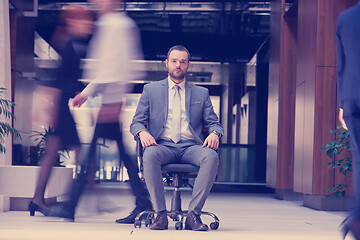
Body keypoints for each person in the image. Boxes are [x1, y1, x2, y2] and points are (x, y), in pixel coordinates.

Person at [49, 0, 152, 222]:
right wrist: (93, 93)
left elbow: (117, 68)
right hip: (109, 98)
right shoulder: (113, 24)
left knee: (90, 159)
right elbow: (118, 68)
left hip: (110, 100)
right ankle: (143, 202)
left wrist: (104, 98)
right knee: (119, 156)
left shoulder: (115, 26)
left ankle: (71, 206)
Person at [130, 45, 224, 231]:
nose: (178, 65)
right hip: (162, 145)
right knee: (150, 154)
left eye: (182, 62)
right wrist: (142, 132)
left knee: (211, 156)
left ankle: (193, 215)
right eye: (174, 61)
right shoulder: (151, 90)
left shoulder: (201, 93)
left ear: (188, 65)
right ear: (166, 63)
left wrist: (215, 133)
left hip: (191, 147)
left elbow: (214, 123)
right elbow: (136, 122)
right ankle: (160, 214)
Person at [29, 5, 93, 217]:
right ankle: (78, 198)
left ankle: (38, 199)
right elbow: (59, 79)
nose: (89, 25)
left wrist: (81, 93)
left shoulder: (71, 43)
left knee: (52, 152)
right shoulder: (70, 44)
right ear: (73, 21)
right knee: (78, 150)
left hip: (61, 104)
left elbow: (66, 78)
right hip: (60, 106)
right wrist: (52, 108)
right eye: (86, 20)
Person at [336, 2, 360, 239]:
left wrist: (343, 103)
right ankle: (356, 217)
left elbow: (340, 65)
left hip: (352, 96)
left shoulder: (345, 18)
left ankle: (357, 218)